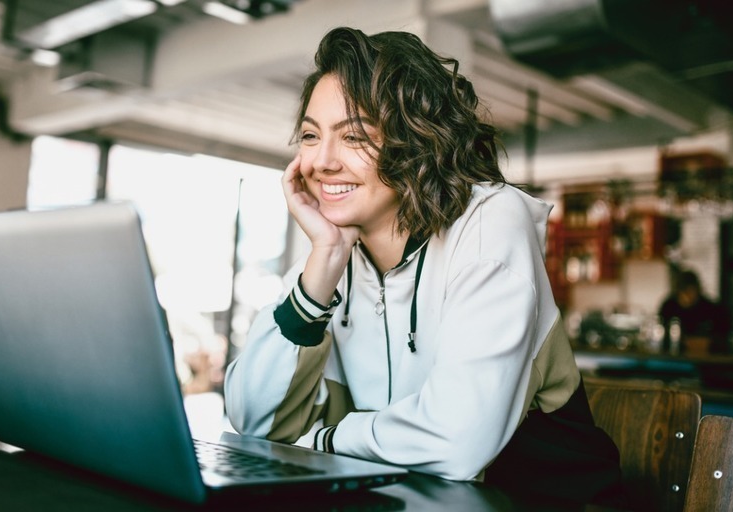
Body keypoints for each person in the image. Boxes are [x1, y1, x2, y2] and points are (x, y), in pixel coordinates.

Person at [223, 27, 622, 505]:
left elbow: (458, 441)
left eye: (353, 136)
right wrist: (324, 261)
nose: (321, 161)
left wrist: (325, 439)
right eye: (310, 135)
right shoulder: (336, 251)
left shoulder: (490, 222)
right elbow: (253, 421)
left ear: (415, 141)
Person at [659, 269, 732, 354]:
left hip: (707, 359)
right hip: (675, 358)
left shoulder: (713, 310)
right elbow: (660, 334)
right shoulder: (669, 307)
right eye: (683, 291)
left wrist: (708, 342)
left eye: (690, 290)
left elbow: (725, 338)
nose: (687, 295)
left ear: (698, 289)